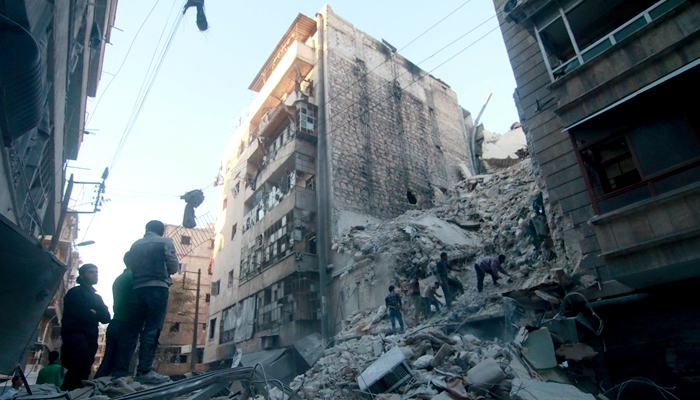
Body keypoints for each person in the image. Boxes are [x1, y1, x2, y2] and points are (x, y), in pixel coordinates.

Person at [112, 220, 178, 384]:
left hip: (137, 289)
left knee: (131, 331)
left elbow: (132, 264)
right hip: (157, 288)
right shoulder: (165, 242)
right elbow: (173, 266)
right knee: (152, 329)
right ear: (162, 231)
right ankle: (144, 371)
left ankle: (120, 372)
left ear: (147, 229)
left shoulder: (136, 245)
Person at [60, 264, 111, 391]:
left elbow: (106, 317)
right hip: (75, 336)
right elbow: (81, 313)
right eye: (91, 272)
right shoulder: (75, 293)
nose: (95, 274)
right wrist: (94, 313)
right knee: (76, 368)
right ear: (82, 276)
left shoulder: (97, 297)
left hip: (90, 337)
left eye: (96, 272)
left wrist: (94, 312)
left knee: (84, 370)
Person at [95, 252, 133, 378]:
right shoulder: (132, 277)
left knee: (108, 363)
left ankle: (97, 384)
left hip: (116, 322)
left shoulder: (121, 278)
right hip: (126, 325)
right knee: (121, 365)